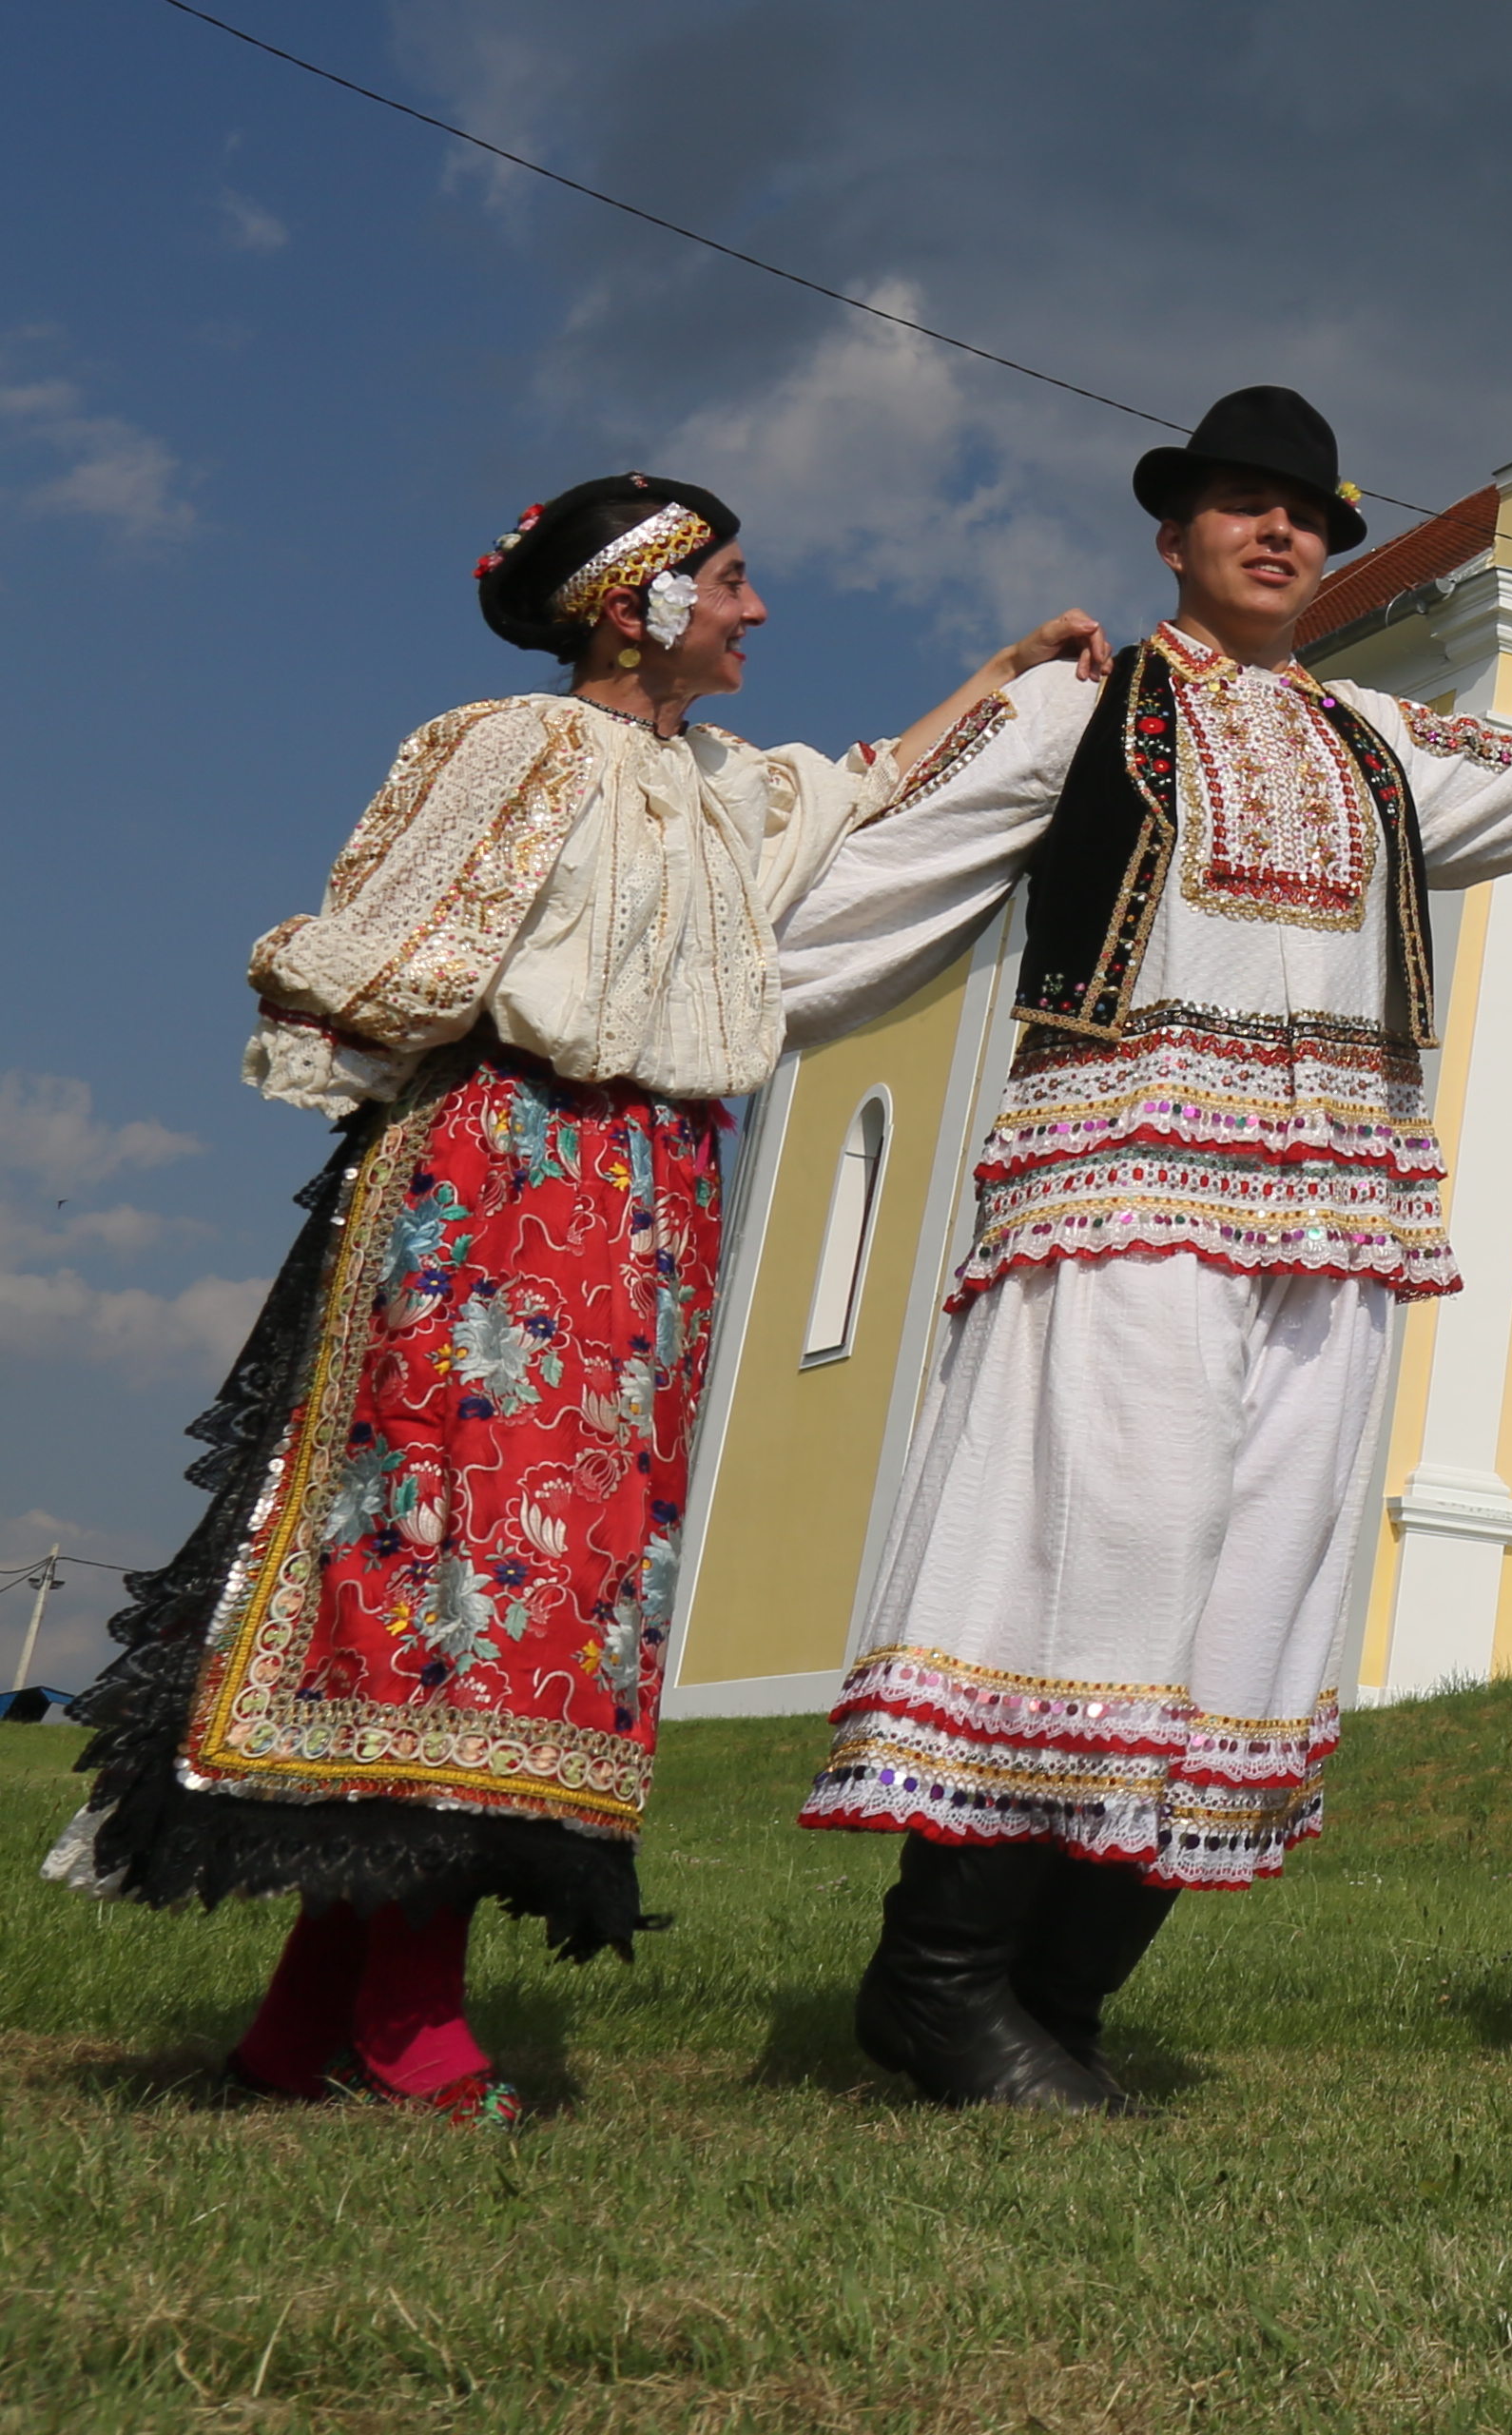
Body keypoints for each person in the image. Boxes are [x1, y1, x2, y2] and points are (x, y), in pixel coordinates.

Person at [778, 386, 1512, 2113]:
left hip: (1333, 1217)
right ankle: (938, 1981)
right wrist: (687, 995)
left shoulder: (1370, 742)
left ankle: (1063, 1992)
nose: (1282, 535)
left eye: (1310, 514)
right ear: (1175, 534)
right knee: (1095, 1558)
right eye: (1244, 506)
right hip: (1124, 1190)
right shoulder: (1081, 706)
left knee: (1256, 1591)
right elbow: (899, 868)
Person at [45, 476, 1094, 2121]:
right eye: (732, 582)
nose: (756, 612)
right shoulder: (512, 748)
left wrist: (1004, 669)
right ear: (634, 602)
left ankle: (303, 2020)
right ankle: (410, 2016)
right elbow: (380, 937)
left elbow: (870, 793)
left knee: (559, 1592)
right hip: (501, 1179)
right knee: (455, 1576)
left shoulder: (720, 790)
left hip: (651, 1203)